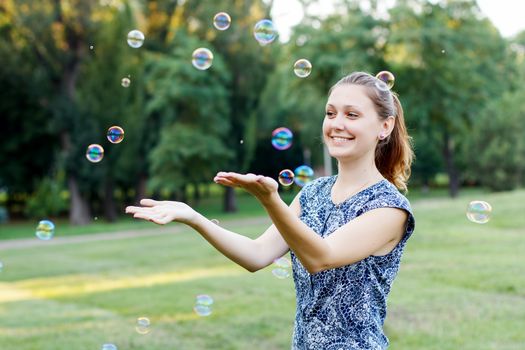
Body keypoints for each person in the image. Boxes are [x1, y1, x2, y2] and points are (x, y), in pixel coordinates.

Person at [125, 71, 415, 350]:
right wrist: (194, 217)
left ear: (384, 127)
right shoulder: (313, 193)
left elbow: (321, 257)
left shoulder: (389, 208)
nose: (336, 123)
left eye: (351, 114)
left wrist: (270, 201)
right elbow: (257, 254)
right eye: (330, 113)